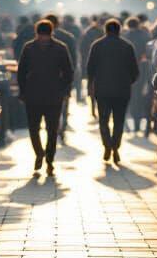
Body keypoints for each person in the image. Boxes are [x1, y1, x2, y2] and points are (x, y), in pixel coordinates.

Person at [17, 19, 73, 176]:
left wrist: (62, 89)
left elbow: (68, 72)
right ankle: (40, 154)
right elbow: (21, 72)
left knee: (51, 130)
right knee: (36, 129)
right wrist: (23, 90)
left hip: (47, 96)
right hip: (40, 96)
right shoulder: (31, 48)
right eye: (42, 35)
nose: (43, 38)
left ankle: (49, 159)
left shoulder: (34, 48)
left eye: (45, 35)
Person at [85, 18, 140, 164]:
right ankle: (116, 147)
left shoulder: (97, 45)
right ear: (119, 30)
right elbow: (135, 71)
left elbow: (90, 69)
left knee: (103, 120)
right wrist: (128, 81)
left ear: (105, 30)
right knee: (119, 120)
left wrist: (91, 84)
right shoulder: (127, 46)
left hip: (102, 89)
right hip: (122, 90)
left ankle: (107, 145)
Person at [44, 13, 77, 143]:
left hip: (45, 79)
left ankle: (52, 128)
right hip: (63, 76)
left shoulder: (38, 40)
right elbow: (73, 59)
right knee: (64, 103)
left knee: (47, 105)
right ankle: (62, 128)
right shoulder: (68, 37)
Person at [79, 16, 102, 116]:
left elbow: (82, 48)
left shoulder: (87, 32)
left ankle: (93, 109)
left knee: (91, 85)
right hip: (102, 64)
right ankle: (97, 108)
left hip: (90, 62)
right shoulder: (102, 33)